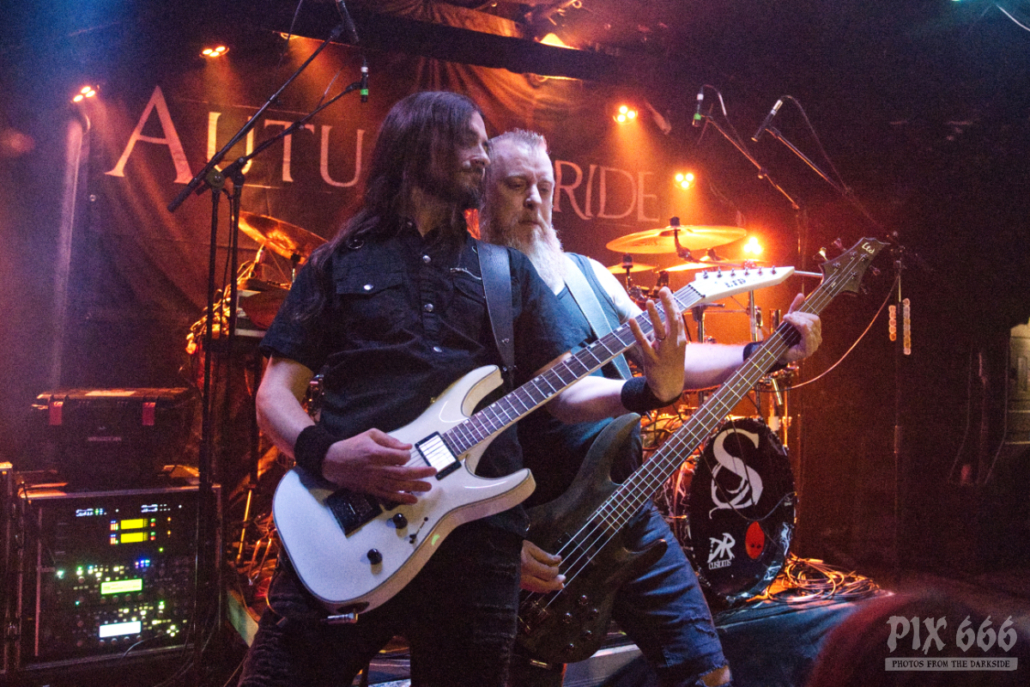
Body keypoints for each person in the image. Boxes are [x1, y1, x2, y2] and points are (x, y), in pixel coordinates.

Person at [239, 92, 692, 687]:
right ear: (419, 144)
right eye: (470, 142)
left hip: (476, 546)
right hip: (349, 521)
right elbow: (274, 396)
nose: (483, 156)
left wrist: (649, 390)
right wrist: (331, 455)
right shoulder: (336, 264)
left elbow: (564, 393)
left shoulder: (505, 272)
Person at [478, 129, 822, 687]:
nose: (534, 200)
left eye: (544, 186)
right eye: (516, 186)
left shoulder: (589, 274)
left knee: (706, 673)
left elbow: (668, 361)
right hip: (535, 526)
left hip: (623, 506)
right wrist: (493, 539)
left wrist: (763, 350)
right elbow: (561, 397)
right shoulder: (474, 284)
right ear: (482, 192)